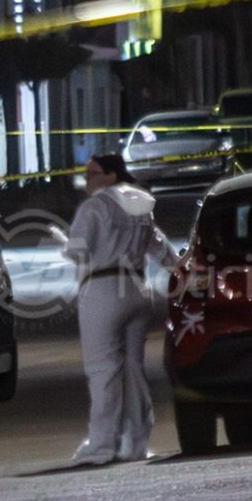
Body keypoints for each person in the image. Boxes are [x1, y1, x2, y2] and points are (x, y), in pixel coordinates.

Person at [63, 154, 179, 465]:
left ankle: (102, 445)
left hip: (103, 288)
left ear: (111, 176)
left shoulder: (95, 206)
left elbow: (78, 252)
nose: (87, 179)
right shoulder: (140, 206)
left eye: (93, 173)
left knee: (103, 369)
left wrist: (65, 243)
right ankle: (135, 443)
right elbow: (162, 250)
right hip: (138, 290)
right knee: (133, 370)